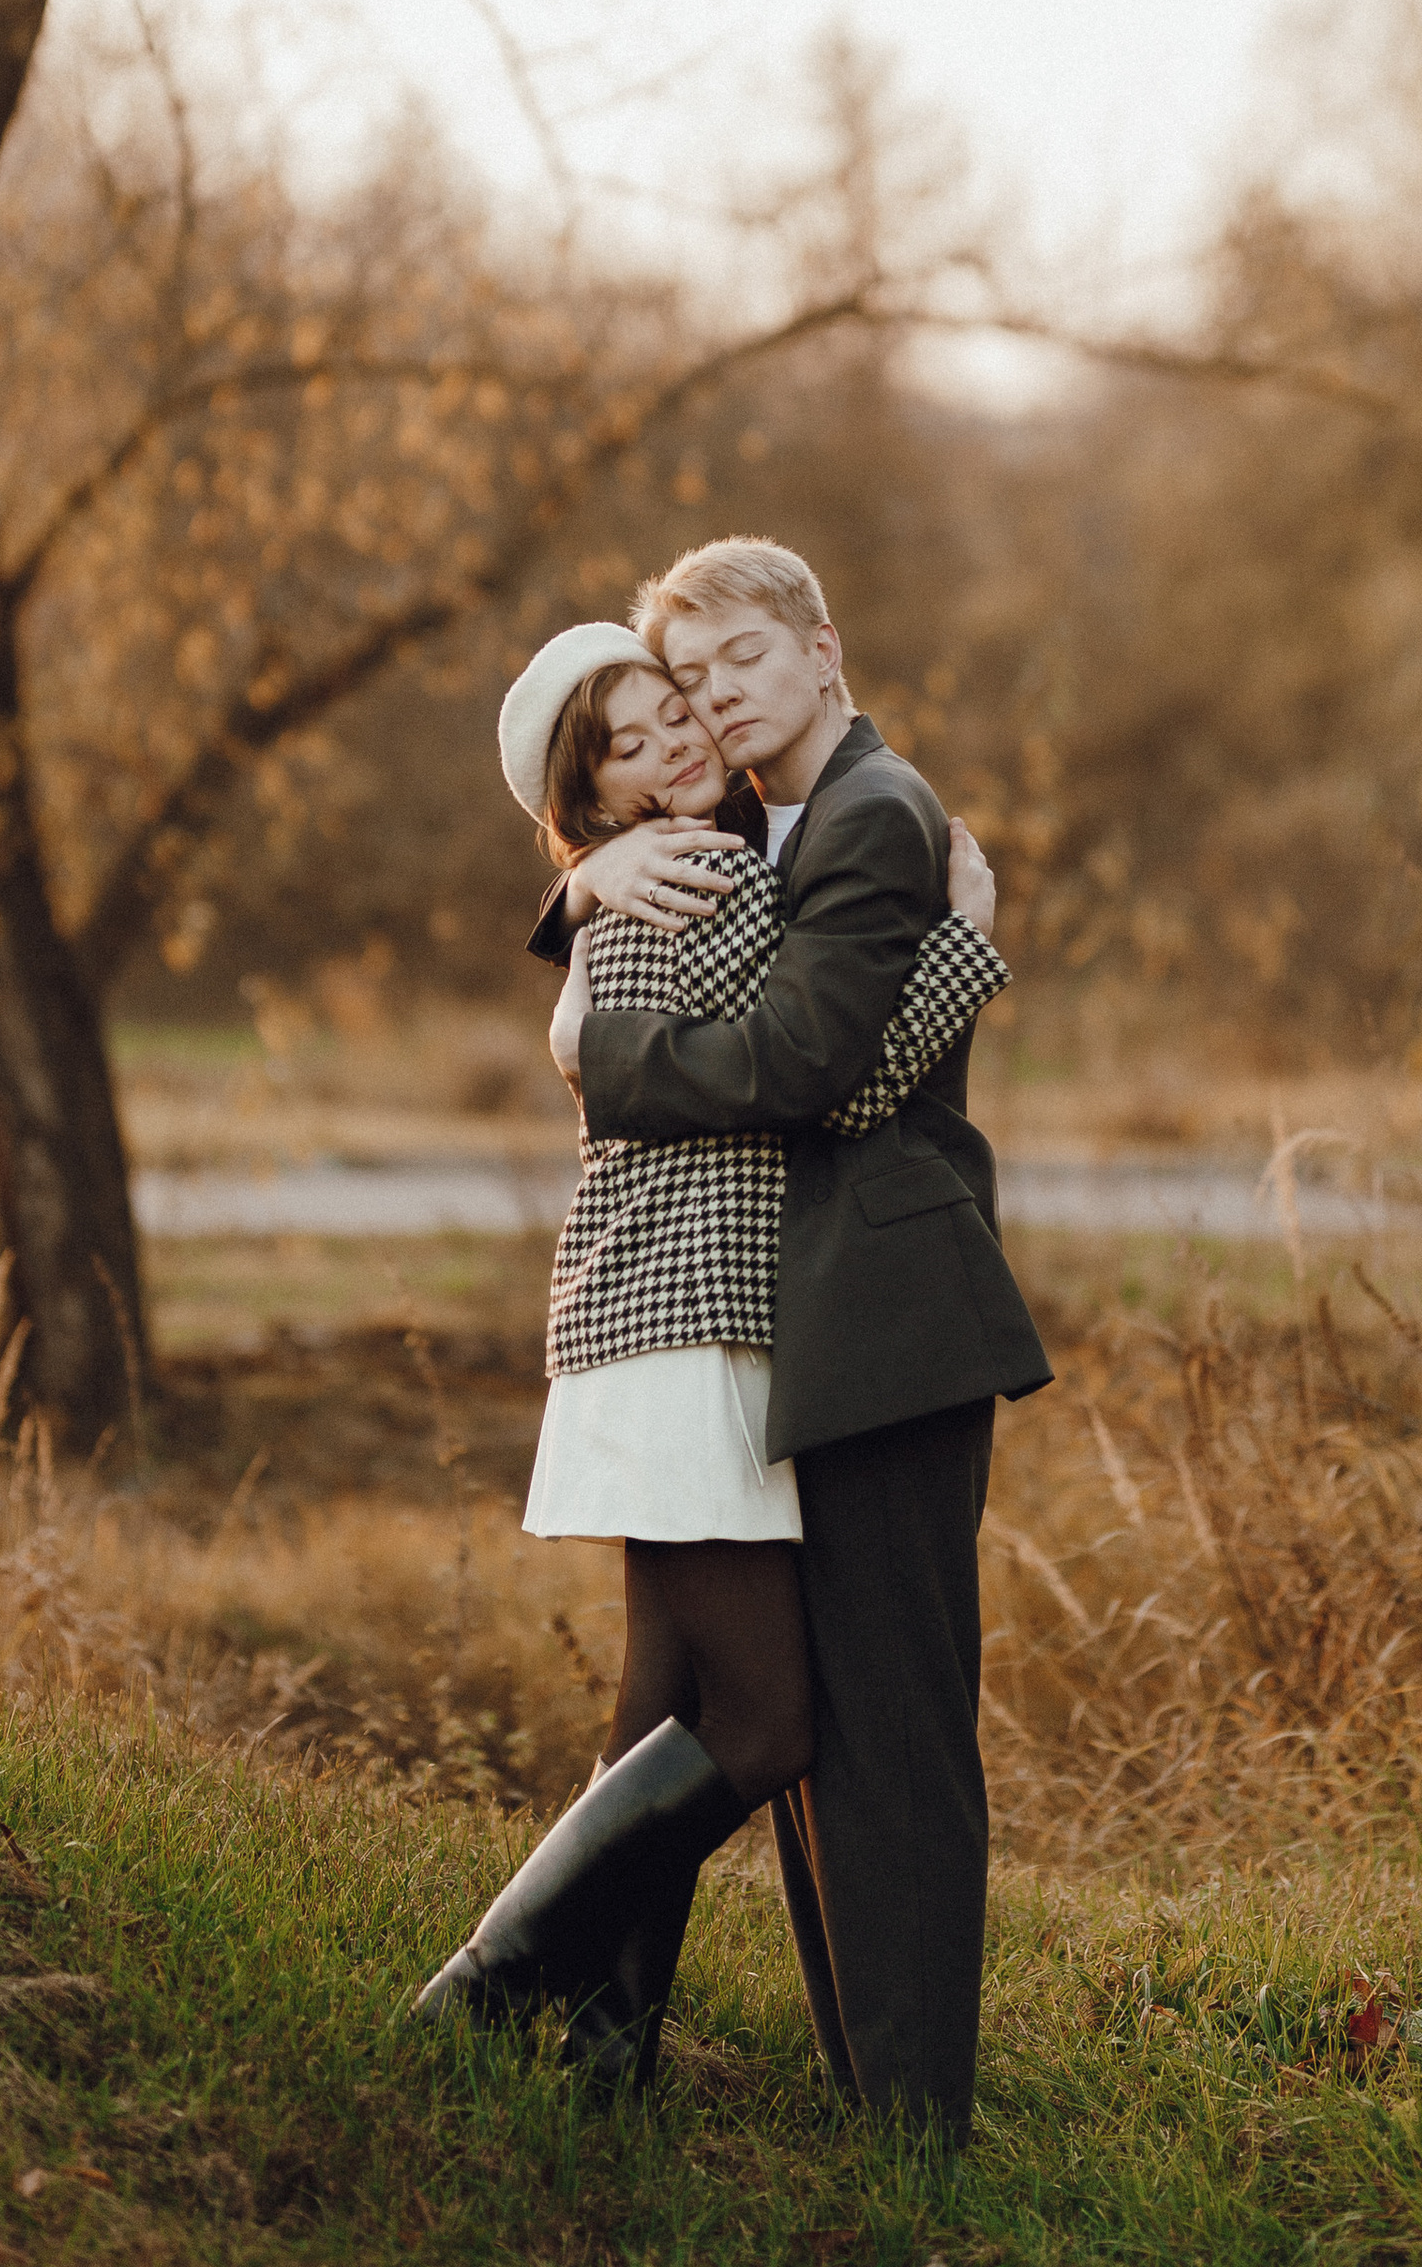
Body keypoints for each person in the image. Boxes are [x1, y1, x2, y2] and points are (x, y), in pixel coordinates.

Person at [409, 621, 1008, 2091]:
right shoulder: (707, 877)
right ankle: (487, 1982)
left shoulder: (646, 884)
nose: (677, 736)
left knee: (659, 1711)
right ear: (593, 799)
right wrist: (968, 945)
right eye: (628, 738)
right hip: (683, 1340)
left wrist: (570, 901)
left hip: (650, 1334)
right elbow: (833, 1071)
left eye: (674, 704)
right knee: (765, 1720)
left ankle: (610, 2058)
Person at [558, 540, 1053, 2148]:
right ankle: (847, 2080)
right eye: (688, 685)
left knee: (892, 1733)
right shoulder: (785, 819)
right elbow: (644, 854)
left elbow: (816, 1074)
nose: (710, 704)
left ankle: (916, 2123)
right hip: (814, 1334)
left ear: (823, 648)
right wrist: (572, 896)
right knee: (813, 1725)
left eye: (738, 667)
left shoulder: (874, 817)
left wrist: (604, 1058)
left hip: (895, 1328)